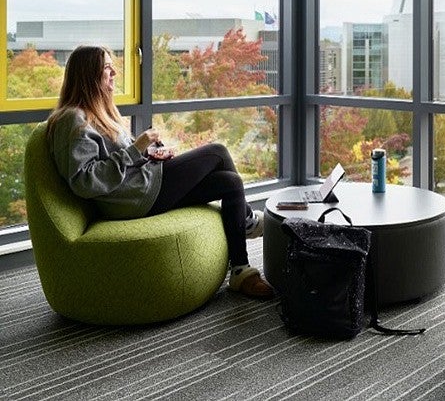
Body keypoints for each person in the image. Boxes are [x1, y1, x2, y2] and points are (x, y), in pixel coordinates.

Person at [46, 45, 274, 299]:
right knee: (218, 152)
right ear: (89, 75)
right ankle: (248, 222)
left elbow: (118, 161)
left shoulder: (99, 113)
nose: (114, 74)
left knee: (229, 182)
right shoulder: (73, 119)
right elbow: (84, 181)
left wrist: (147, 154)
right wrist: (137, 148)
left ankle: (240, 270)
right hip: (134, 199)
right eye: (107, 69)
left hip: (140, 188)